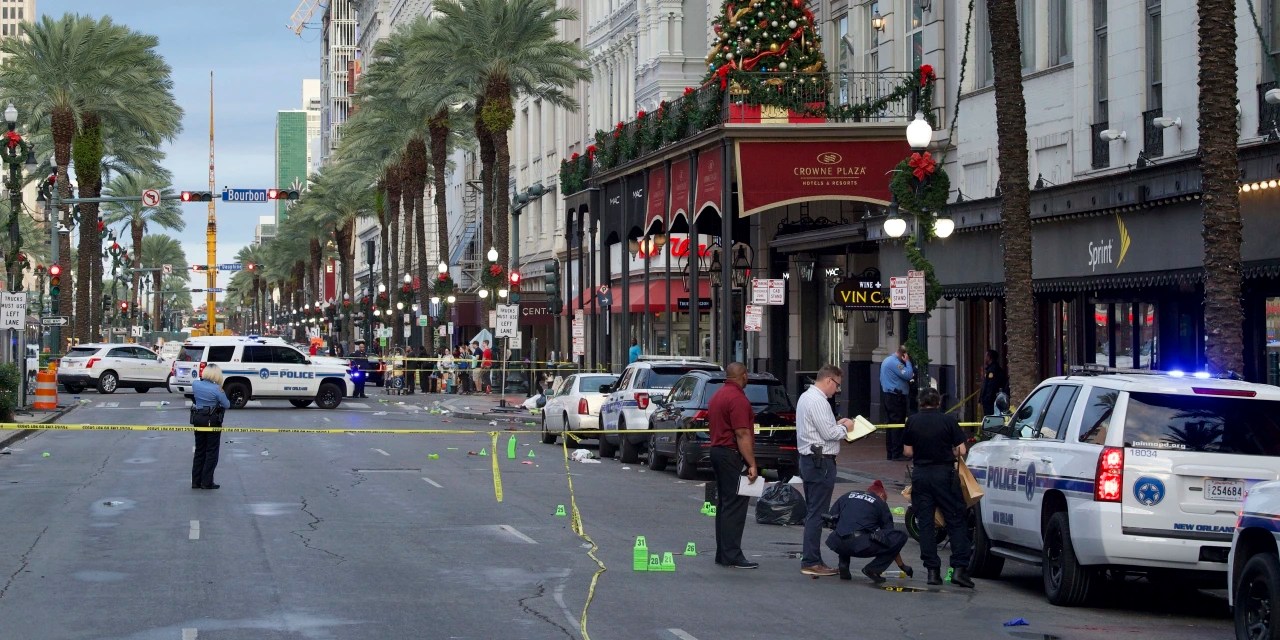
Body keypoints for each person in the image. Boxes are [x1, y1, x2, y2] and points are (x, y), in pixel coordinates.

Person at [903, 387, 974, 588]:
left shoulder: (912, 421)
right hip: (944, 474)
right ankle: (959, 569)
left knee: (926, 522)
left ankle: (932, 571)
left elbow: (907, 452)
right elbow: (961, 449)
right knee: (955, 519)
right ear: (938, 403)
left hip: (921, 474)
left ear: (920, 402)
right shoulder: (948, 421)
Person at [795, 364, 857, 577]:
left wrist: (836, 423)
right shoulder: (819, 401)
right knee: (817, 513)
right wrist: (846, 427)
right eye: (837, 385)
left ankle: (812, 558)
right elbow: (829, 433)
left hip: (810, 460)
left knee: (814, 510)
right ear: (829, 380)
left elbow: (821, 427)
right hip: (820, 462)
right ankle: (811, 560)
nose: (837, 390)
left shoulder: (806, 397)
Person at [707, 362, 759, 569]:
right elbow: (742, 433)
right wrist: (751, 463)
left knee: (725, 503)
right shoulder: (738, 399)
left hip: (717, 451)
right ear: (744, 376)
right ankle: (732, 554)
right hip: (730, 454)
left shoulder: (718, 395)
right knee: (735, 505)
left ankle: (723, 553)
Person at [825, 480, 910, 583]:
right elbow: (891, 539)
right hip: (861, 546)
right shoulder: (880, 503)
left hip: (836, 542)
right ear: (882, 494)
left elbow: (832, 519)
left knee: (845, 528)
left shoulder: (848, 495)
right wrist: (902, 565)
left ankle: (843, 564)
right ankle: (873, 569)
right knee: (900, 536)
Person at [190, 364, 230, 490]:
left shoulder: (196, 384)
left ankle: (196, 481)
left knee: (199, 451)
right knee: (211, 452)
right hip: (212, 421)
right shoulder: (217, 389)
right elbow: (227, 404)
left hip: (198, 419)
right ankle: (206, 482)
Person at [880, 345, 914, 461]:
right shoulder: (896, 363)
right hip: (896, 397)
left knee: (891, 425)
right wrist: (908, 362)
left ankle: (891, 452)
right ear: (903, 354)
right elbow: (908, 375)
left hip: (889, 395)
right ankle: (897, 453)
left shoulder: (887, 360)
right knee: (897, 425)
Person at [980, 349, 1008, 417]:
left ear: (989, 357)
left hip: (991, 402)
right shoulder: (991, 369)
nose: (985, 358)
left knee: (990, 418)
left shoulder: (993, 370)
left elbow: (990, 387)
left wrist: (986, 400)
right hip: (991, 401)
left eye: (986, 356)